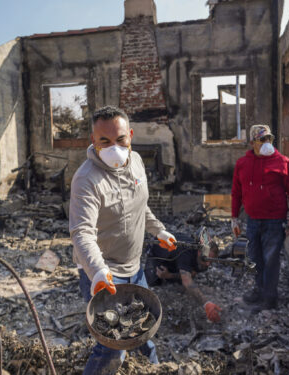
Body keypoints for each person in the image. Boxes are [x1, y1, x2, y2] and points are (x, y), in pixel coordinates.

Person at [69, 105, 177, 375]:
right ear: (93, 140)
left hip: (135, 268)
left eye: (120, 139)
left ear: (130, 136)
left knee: (142, 329)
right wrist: (97, 271)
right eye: (104, 141)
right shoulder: (86, 180)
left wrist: (158, 231)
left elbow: (140, 204)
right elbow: (82, 233)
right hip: (105, 275)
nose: (113, 147)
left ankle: (152, 370)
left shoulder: (136, 162)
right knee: (112, 346)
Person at [231, 124, 289, 312]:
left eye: (269, 138)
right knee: (255, 258)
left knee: (271, 259)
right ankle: (259, 291)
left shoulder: (283, 162)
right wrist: (234, 217)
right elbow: (236, 192)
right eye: (262, 139)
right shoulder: (242, 164)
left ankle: (269, 298)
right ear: (252, 142)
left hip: (274, 221)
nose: (267, 143)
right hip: (253, 220)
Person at [144, 233, 222, 323]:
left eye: (211, 261)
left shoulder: (202, 257)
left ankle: (172, 273)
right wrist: (206, 303)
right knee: (154, 283)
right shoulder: (186, 253)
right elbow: (187, 282)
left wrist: (170, 275)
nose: (208, 264)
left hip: (175, 256)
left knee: (182, 277)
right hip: (157, 251)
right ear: (199, 252)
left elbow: (191, 274)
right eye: (207, 260)